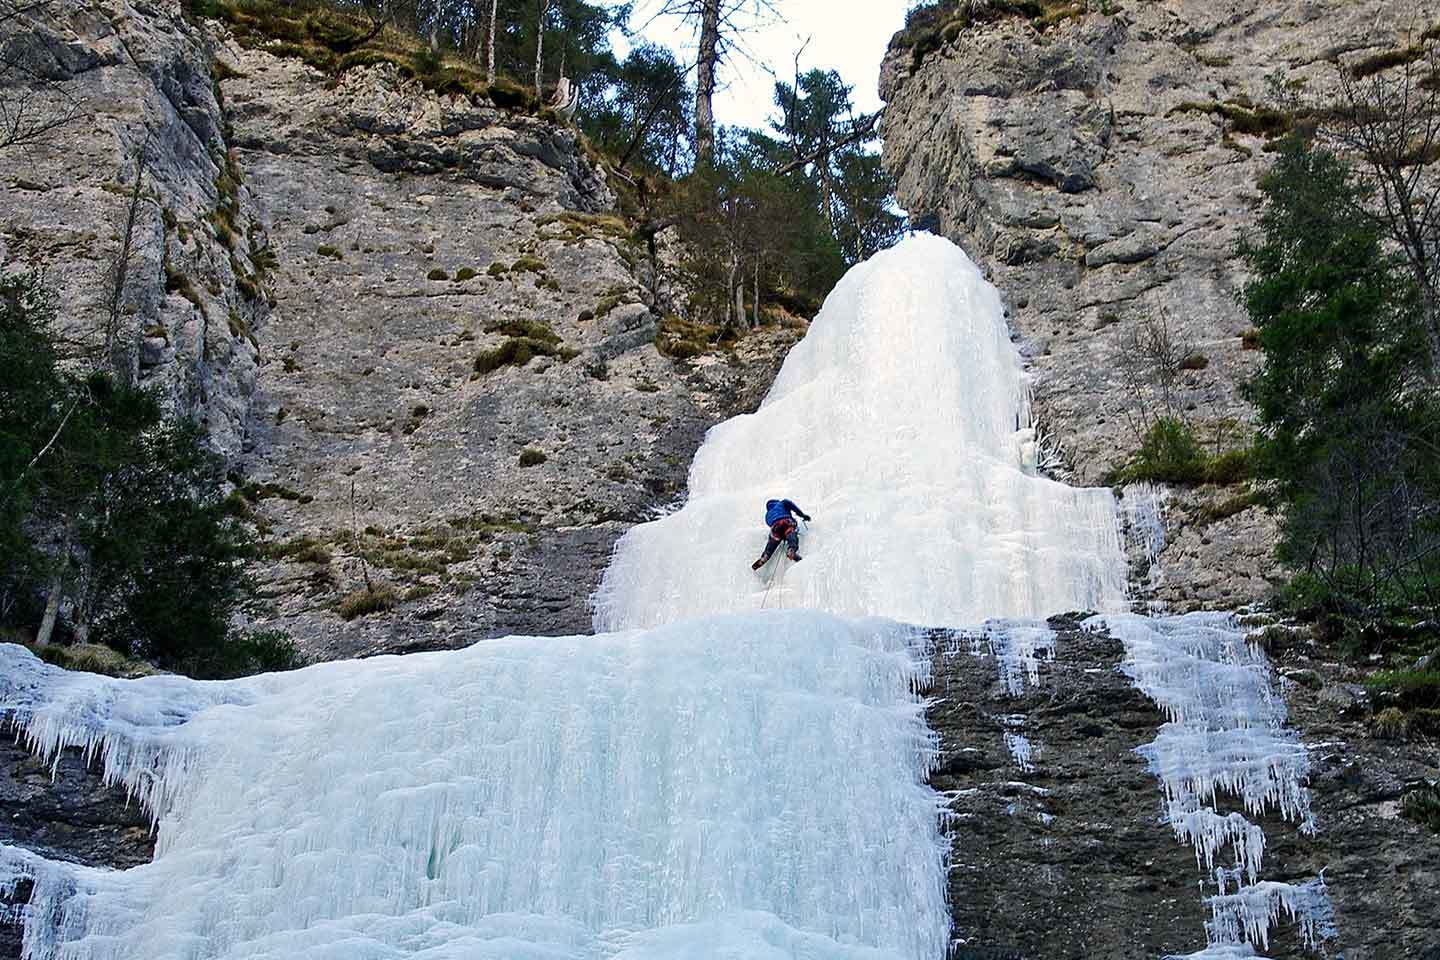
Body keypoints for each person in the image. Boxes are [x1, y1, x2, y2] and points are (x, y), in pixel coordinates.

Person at [752, 498, 811, 570]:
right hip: (786, 522)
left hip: (775, 528)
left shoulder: (767, 515)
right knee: (791, 533)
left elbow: (770, 526)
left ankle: (765, 556)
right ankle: (791, 550)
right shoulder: (782, 503)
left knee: (773, 541)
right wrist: (803, 516)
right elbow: (794, 507)